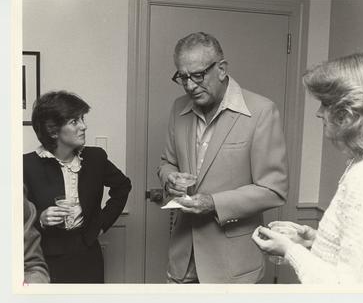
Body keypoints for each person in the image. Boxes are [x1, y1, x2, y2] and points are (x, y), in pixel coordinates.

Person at [157, 32, 289, 283]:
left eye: (197, 75)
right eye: (182, 77)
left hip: (233, 267)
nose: (190, 86)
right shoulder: (178, 108)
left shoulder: (261, 111)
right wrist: (169, 177)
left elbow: (274, 189)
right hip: (182, 260)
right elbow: (167, 162)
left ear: (221, 69)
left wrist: (213, 203)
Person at [252, 51, 363, 284]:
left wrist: (289, 250)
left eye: (325, 104)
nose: (319, 112)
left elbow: (345, 289)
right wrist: (314, 240)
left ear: (348, 112)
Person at [23, 91, 132, 283]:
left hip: (88, 255)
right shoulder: (26, 165)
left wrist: (101, 225)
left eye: (82, 119)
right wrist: (40, 217)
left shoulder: (96, 158)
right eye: (74, 121)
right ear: (53, 130)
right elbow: (12, 216)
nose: (84, 126)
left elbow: (123, 187)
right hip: (45, 258)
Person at [24, 185, 50, 283]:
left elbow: (32, 266)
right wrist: (40, 217)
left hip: (88, 249)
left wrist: (99, 227)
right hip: (49, 248)